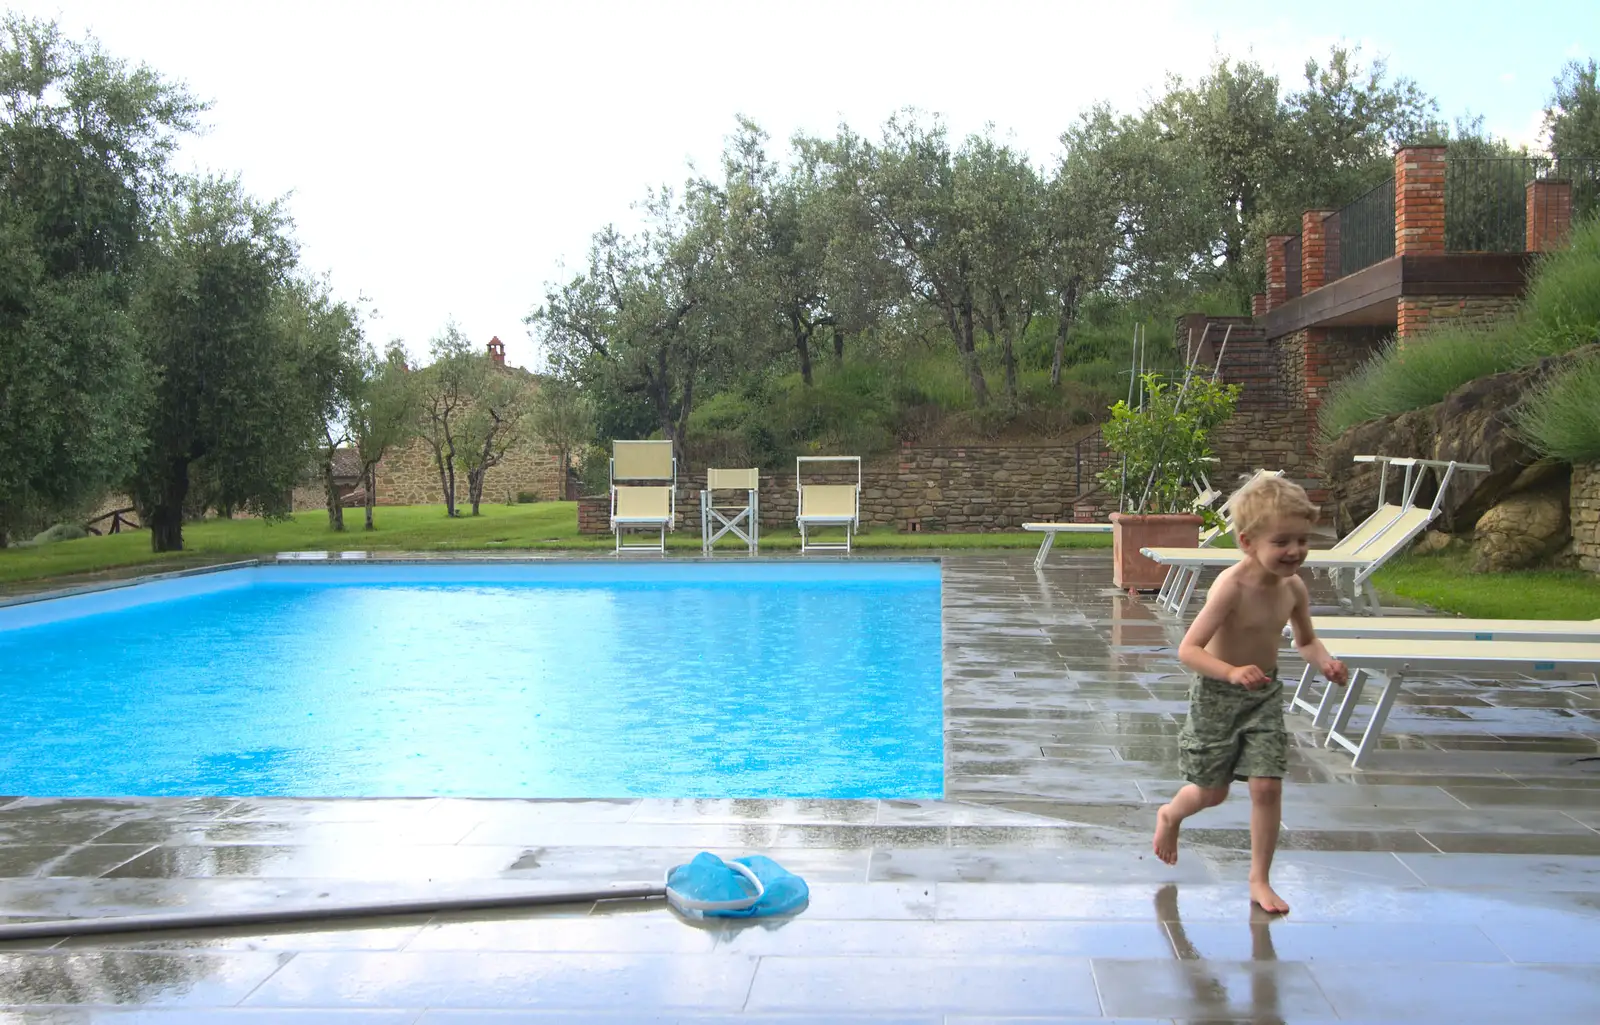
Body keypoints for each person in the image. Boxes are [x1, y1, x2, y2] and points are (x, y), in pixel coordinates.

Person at [1151, 474, 1348, 914]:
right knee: (1211, 793)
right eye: (1282, 541)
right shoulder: (1231, 587)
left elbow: (1305, 641)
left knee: (1266, 786)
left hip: (1263, 696)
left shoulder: (1294, 588)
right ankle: (1170, 815)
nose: (1295, 551)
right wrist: (1232, 671)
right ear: (1246, 542)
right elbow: (1189, 650)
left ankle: (1259, 878)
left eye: (1302, 539)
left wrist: (1325, 661)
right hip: (1217, 697)